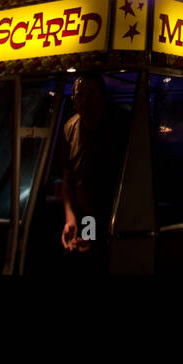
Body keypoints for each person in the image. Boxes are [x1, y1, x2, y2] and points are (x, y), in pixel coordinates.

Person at [57, 74, 128, 270]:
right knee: (85, 258)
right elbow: (68, 178)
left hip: (119, 217)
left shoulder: (122, 125)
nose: (85, 100)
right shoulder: (70, 129)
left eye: (91, 93)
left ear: (103, 98)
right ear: (74, 101)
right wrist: (70, 218)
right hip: (87, 214)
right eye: (80, 95)